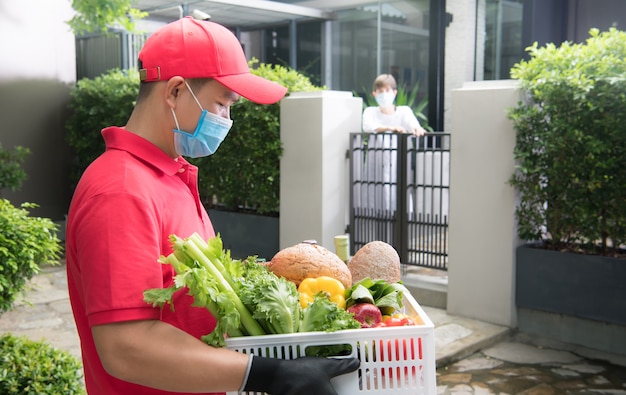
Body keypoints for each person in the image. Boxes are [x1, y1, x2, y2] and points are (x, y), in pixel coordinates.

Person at [65, 16, 359, 395]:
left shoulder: (169, 174)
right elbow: (126, 347)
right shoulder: (121, 192)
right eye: (222, 104)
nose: (227, 120)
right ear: (174, 92)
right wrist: (267, 375)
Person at [361, 73, 426, 137]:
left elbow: (413, 126)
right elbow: (367, 127)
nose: (384, 94)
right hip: (378, 148)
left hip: (402, 147)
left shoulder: (404, 111)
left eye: (387, 90)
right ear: (374, 94)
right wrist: (390, 128)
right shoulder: (370, 111)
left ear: (394, 93)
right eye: (380, 91)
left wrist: (417, 129)